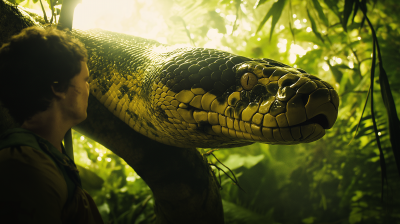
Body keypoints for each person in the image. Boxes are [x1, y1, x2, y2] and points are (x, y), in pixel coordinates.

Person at [0, 26, 104, 223]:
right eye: (84, 80)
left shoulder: (45, 154)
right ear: (58, 87)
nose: (88, 87)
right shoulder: (25, 166)